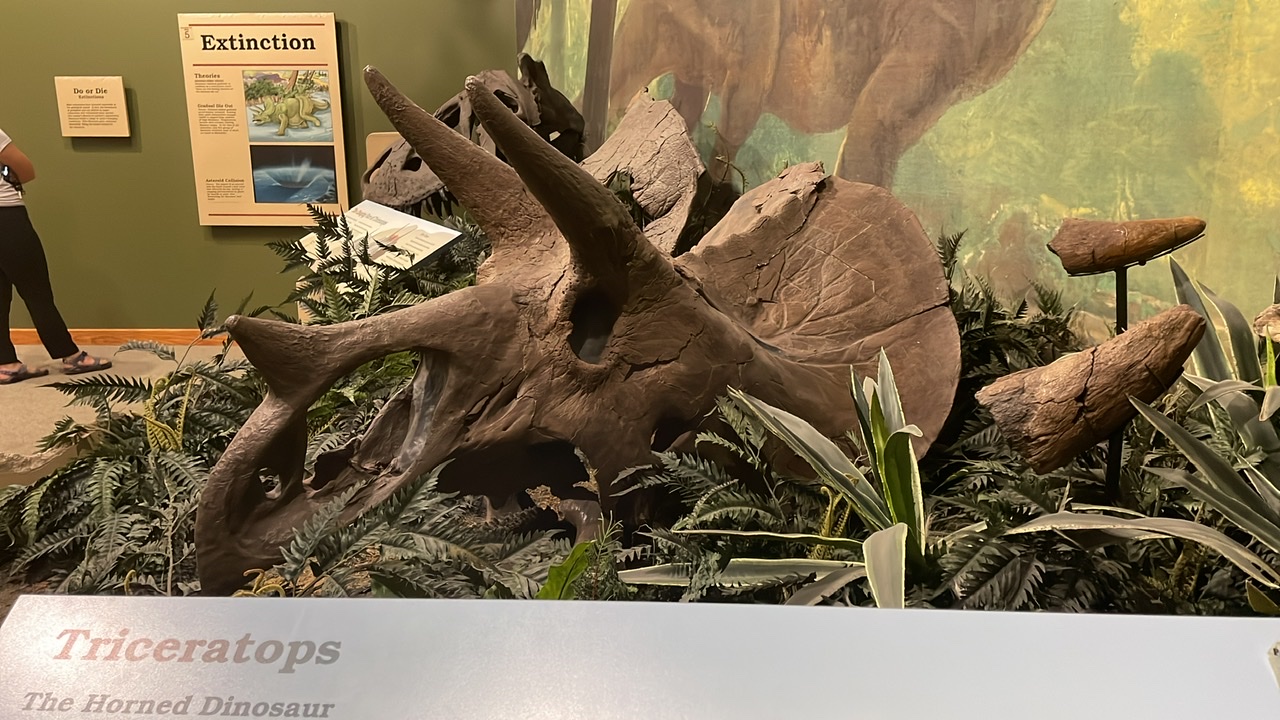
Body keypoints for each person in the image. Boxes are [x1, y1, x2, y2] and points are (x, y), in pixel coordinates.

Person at [0, 126, 111, 384]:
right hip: (6, 217)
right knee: (36, 291)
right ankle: (70, 356)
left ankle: (5, 363)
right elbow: (26, 170)